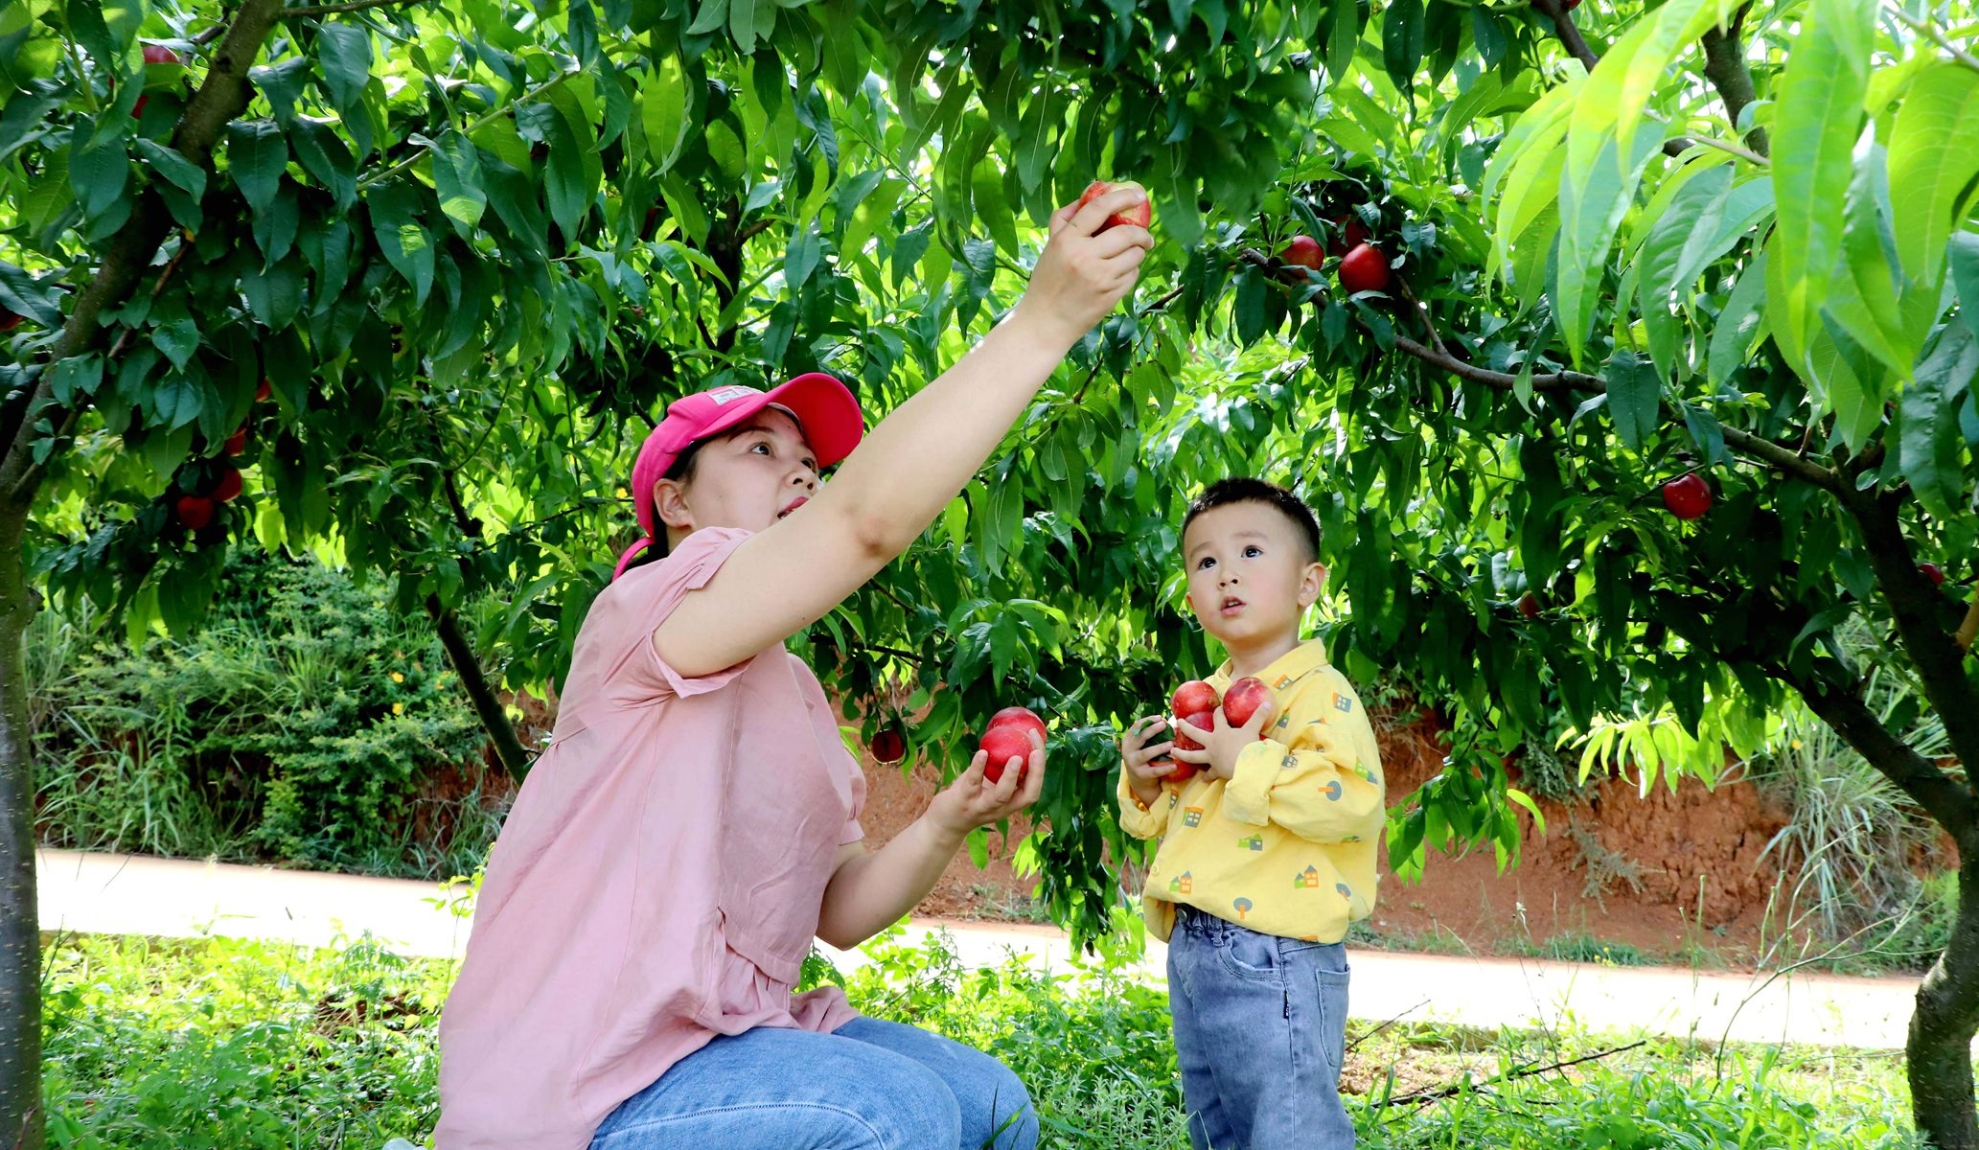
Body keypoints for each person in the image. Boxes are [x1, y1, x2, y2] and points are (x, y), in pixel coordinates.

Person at [434, 186, 1154, 1150]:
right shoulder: (653, 605)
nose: (801, 473)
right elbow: (864, 524)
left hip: (728, 1040)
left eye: (810, 462)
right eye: (762, 448)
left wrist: (951, 818)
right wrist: (1045, 318)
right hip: (588, 1076)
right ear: (676, 502)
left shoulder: (795, 690)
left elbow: (839, 912)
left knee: (994, 1107)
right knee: (889, 1117)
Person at [1117, 478, 1387, 1149]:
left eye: (1251, 553)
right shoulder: (1202, 700)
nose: (1227, 573)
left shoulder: (1323, 695)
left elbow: (1351, 805)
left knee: (1289, 1128)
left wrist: (1249, 762)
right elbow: (1181, 813)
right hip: (1197, 947)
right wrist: (1144, 781)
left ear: (1308, 583)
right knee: (1220, 1127)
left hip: (1278, 955)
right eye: (1206, 562)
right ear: (1191, 597)